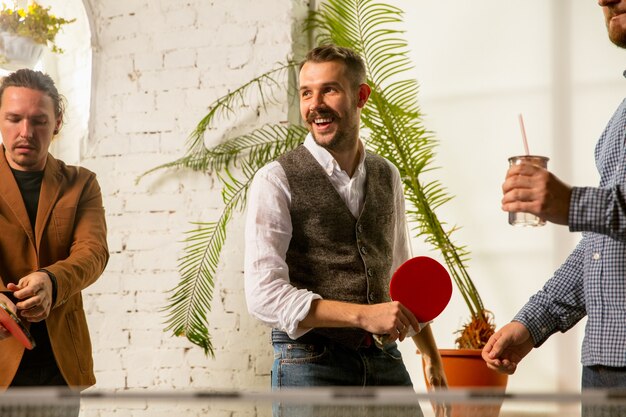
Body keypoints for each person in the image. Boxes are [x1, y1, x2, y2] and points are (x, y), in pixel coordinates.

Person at [244, 45, 448, 417]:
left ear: (361, 96)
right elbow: (263, 294)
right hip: (311, 362)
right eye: (307, 92)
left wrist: (431, 356)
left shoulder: (387, 174)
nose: (315, 104)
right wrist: (361, 315)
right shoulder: (275, 180)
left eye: (329, 90)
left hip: (385, 359)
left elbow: (401, 271)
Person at [482, 0, 626, 414]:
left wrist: (571, 202)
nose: (602, 0)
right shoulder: (620, 115)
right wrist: (531, 323)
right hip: (605, 363)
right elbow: (602, 246)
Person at [0, 69, 109, 415]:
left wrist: (52, 280)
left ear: (58, 122)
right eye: (14, 119)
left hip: (57, 368)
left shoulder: (82, 184)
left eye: (39, 121)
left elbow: (93, 253)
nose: (25, 133)